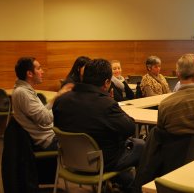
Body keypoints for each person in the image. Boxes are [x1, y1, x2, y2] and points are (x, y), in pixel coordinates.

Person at [53, 59, 144, 191]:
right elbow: (129, 127)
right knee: (141, 145)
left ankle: (123, 183)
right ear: (107, 82)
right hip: (101, 162)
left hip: (69, 161)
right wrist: (112, 101)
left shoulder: (61, 100)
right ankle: (134, 189)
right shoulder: (105, 104)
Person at [11, 57, 73, 151]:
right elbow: (45, 119)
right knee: (85, 140)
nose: (42, 71)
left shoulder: (24, 90)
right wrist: (60, 103)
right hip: (48, 141)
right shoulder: (22, 92)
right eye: (39, 68)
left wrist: (58, 96)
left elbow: (42, 112)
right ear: (29, 73)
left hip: (49, 136)